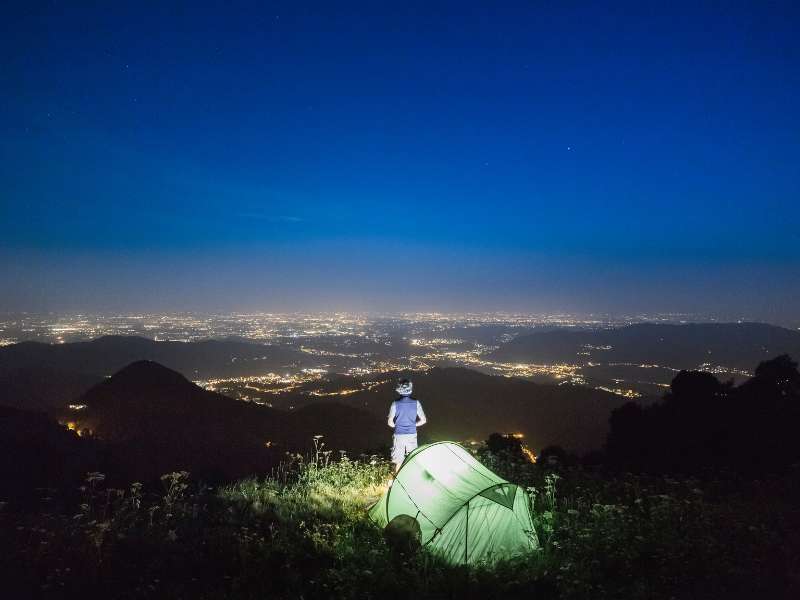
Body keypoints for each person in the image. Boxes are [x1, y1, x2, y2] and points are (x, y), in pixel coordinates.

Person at [387, 378, 427, 472]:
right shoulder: (416, 403)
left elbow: (390, 422)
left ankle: (398, 481)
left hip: (399, 435)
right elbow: (423, 420)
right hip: (412, 434)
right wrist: (413, 425)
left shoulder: (395, 404)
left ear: (399, 389)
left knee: (399, 461)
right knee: (412, 458)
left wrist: (396, 426)